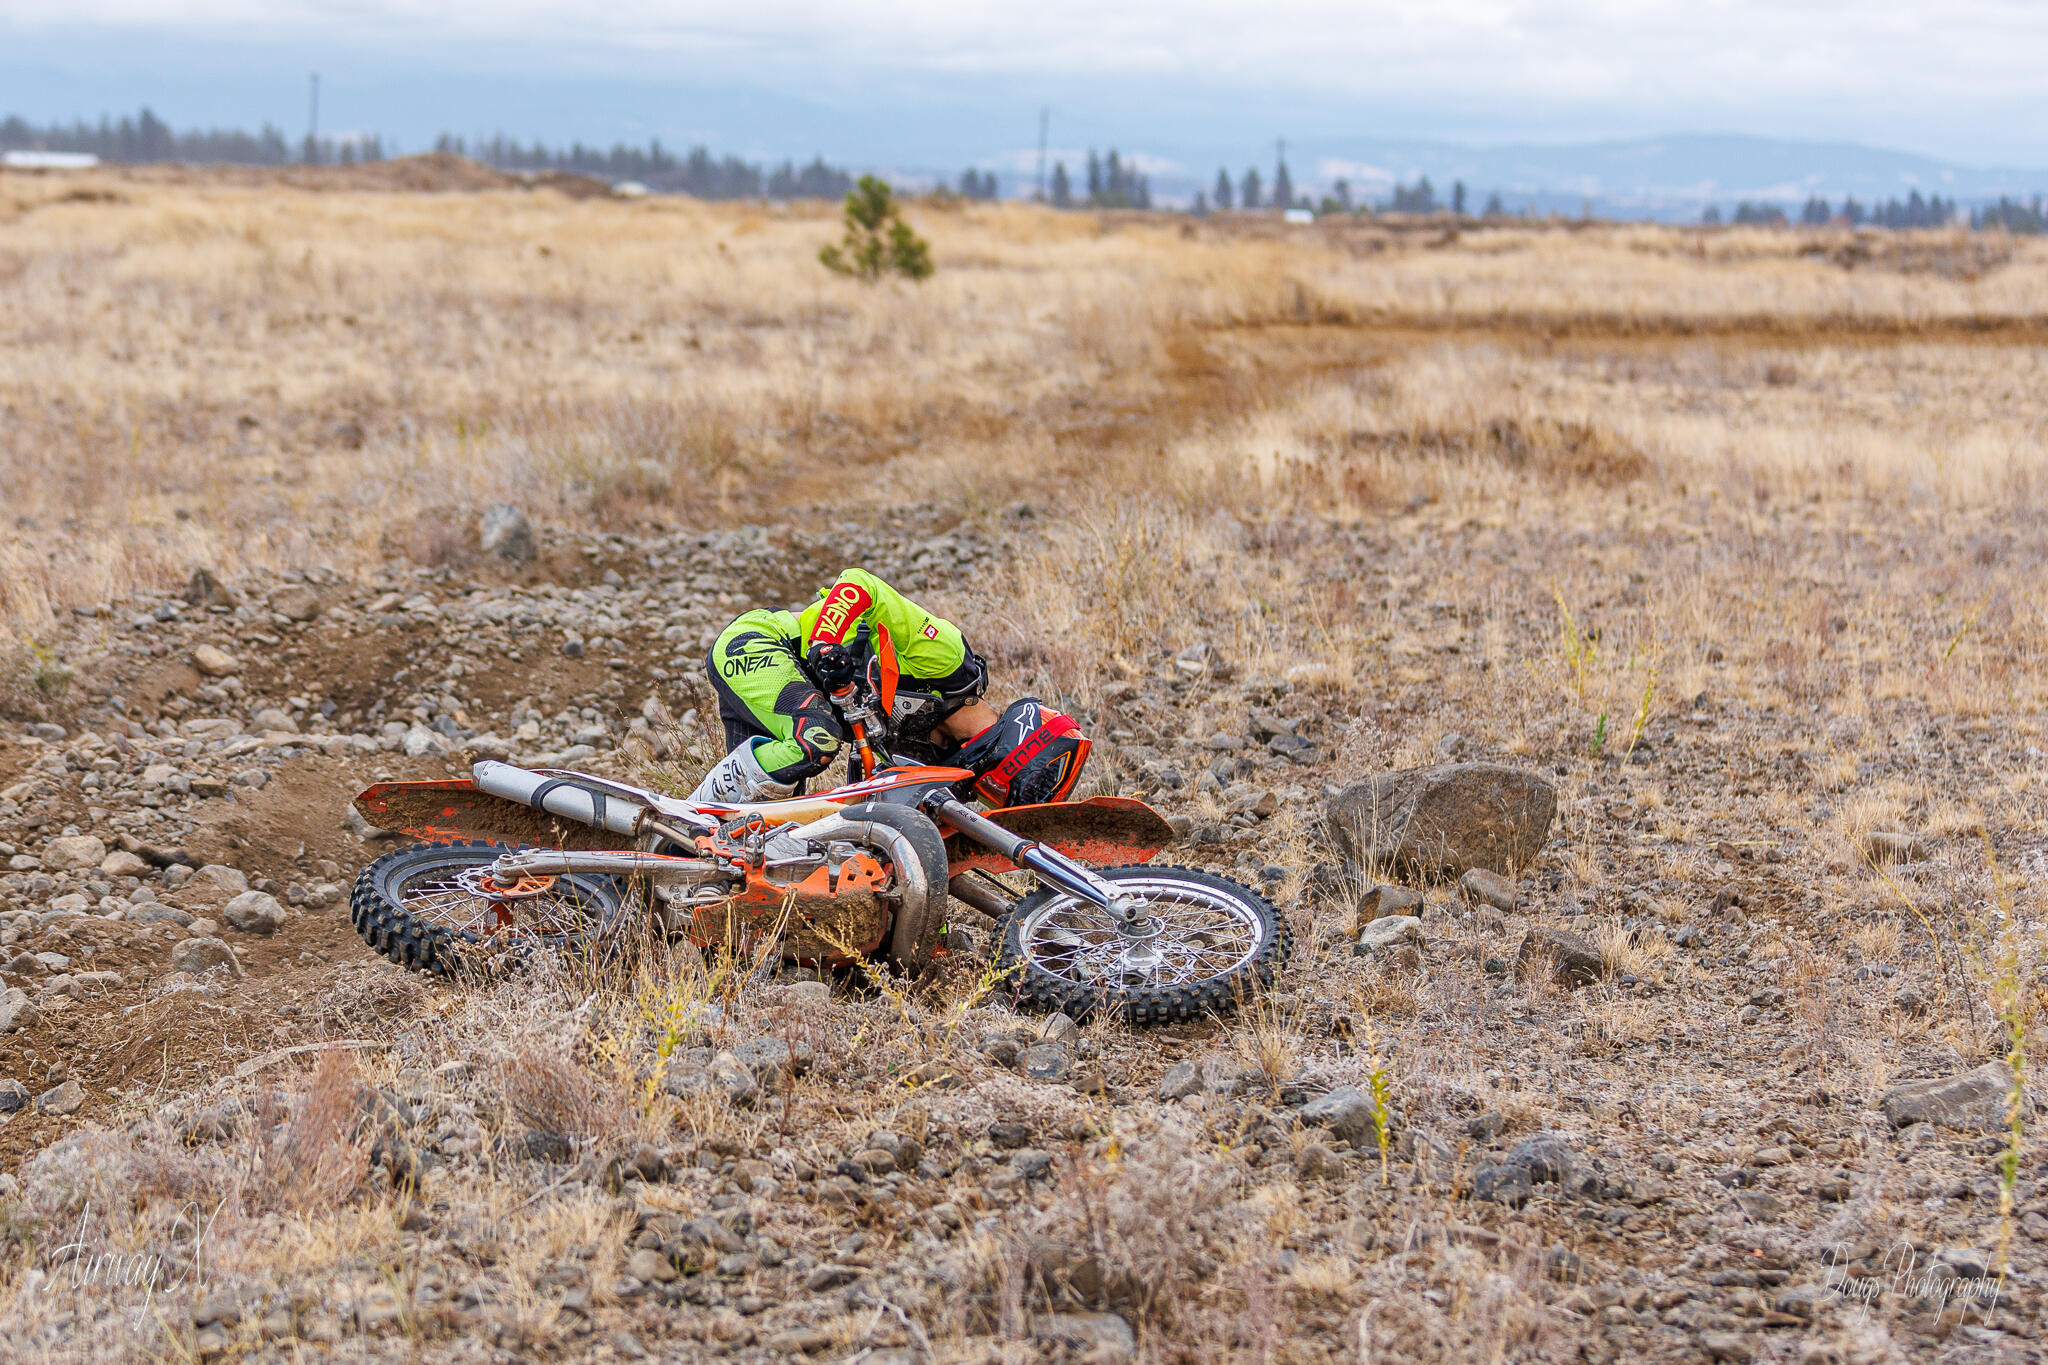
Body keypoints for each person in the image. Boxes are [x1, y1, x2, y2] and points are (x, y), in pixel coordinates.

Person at [692, 568, 1089, 806]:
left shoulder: (931, 754)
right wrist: (824, 643)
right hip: (762, 643)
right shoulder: (949, 659)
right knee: (818, 738)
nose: (988, 796)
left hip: (789, 693)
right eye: (997, 791)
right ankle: (690, 811)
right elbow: (860, 584)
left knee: (763, 826)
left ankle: (678, 847)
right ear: (1017, 752)